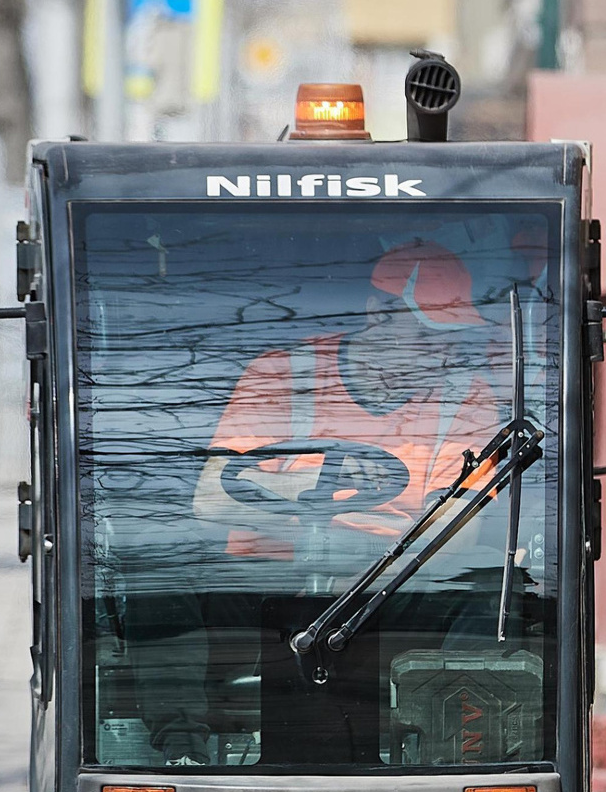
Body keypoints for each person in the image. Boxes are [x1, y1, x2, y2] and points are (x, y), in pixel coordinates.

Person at [194, 239, 503, 563]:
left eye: (452, 339)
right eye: (426, 338)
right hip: (262, 585)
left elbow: (454, 538)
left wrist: (284, 498)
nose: (443, 356)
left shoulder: (468, 399)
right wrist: (325, 481)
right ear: (377, 314)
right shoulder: (281, 375)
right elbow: (210, 501)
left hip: (389, 592)